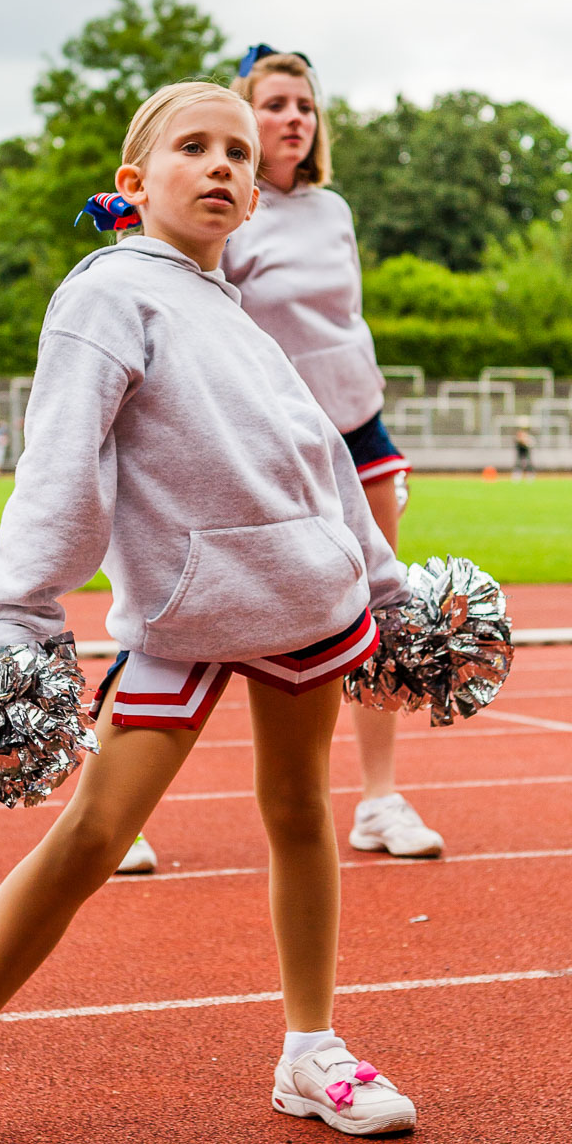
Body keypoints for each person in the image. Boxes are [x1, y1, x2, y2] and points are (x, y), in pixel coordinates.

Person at [0, 81, 417, 1144]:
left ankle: (308, 1050)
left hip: (303, 608)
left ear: (256, 197)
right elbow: (60, 468)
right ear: (133, 183)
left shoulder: (242, 317)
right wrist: (20, 612)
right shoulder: (108, 294)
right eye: (193, 147)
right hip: (183, 615)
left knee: (301, 815)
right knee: (91, 836)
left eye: (238, 154)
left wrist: (384, 584)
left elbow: (323, 460)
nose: (224, 165)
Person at [224, 48, 443, 859]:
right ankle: (123, 805)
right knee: (215, 613)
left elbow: (344, 323)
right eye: (275, 103)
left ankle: (380, 802)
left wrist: (371, 423)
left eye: (304, 106)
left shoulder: (336, 209)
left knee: (380, 611)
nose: (293, 118)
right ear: (246, 118)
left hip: (360, 429)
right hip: (270, 438)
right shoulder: (230, 206)